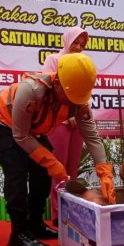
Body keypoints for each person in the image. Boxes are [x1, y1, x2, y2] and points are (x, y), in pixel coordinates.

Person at [0, 53, 116, 246]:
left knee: (42, 172)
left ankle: (35, 223)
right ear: (58, 83)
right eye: (71, 96)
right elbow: (20, 135)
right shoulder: (31, 90)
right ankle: (18, 234)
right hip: (1, 119)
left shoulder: (78, 99)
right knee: (17, 171)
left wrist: (105, 172)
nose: (74, 102)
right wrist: (51, 161)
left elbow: (92, 137)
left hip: (31, 128)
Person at [43, 27, 89, 225]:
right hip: (58, 122)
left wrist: (78, 113)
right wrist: (65, 113)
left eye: (82, 44)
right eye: (75, 42)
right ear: (67, 41)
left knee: (72, 169)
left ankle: (71, 212)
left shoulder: (83, 63)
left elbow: (85, 92)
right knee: (58, 168)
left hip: (77, 122)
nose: (78, 47)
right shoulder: (53, 60)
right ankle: (57, 214)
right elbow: (49, 90)